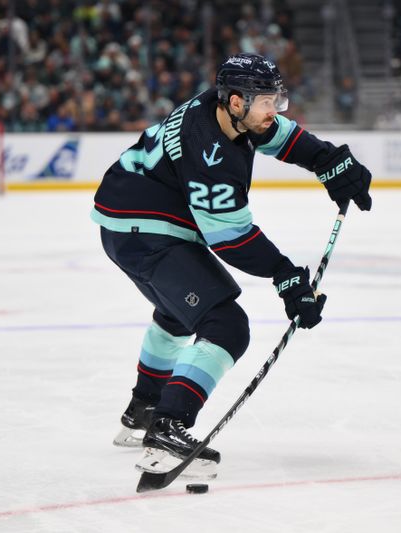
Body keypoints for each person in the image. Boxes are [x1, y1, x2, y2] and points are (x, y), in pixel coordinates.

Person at [91, 53, 372, 476]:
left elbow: (282, 136)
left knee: (177, 312)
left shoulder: (223, 110)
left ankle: (144, 409)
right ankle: (168, 427)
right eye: (266, 103)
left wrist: (328, 160)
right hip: (143, 232)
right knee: (225, 324)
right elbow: (231, 238)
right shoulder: (211, 155)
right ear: (237, 102)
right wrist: (287, 278)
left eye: (276, 99)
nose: (273, 111)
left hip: (126, 220)